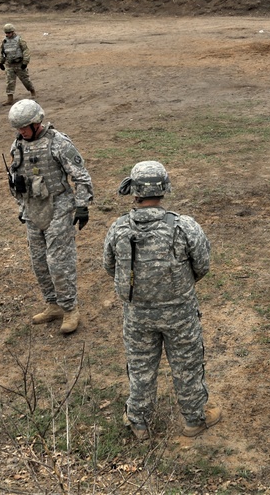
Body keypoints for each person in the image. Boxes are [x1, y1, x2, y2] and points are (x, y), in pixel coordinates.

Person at [103, 161, 221, 440]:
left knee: (141, 365)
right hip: (179, 312)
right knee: (188, 364)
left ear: (134, 191)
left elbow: (110, 266)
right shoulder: (184, 226)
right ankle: (194, 420)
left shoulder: (118, 228)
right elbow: (202, 265)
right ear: (164, 189)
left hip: (137, 314)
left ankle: (139, 422)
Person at [6, 99, 93, 335]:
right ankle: (53, 304)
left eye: (24, 127)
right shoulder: (18, 145)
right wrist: (22, 207)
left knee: (58, 262)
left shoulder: (59, 144)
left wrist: (82, 205)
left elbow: (81, 177)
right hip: (33, 208)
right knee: (39, 262)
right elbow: (16, 179)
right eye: (18, 128)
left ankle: (70, 309)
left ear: (37, 122)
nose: (21, 132)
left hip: (58, 206)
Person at [0, 23, 36, 105]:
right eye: (6, 33)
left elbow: (26, 51)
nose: (7, 35)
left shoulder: (20, 40)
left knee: (25, 79)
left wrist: (25, 62)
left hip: (19, 64)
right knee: (9, 82)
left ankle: (32, 92)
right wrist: (1, 62)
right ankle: (10, 99)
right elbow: (2, 52)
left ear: (13, 32)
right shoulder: (4, 41)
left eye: (9, 33)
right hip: (9, 64)